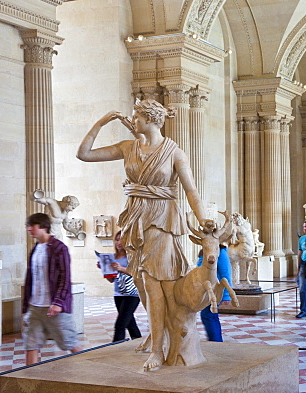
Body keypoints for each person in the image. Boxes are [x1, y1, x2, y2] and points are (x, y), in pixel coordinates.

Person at [77, 98, 208, 371]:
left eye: (136, 117)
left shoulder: (174, 152)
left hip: (162, 221)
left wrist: (204, 220)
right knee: (141, 281)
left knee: (154, 283)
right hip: (136, 220)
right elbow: (84, 154)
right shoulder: (128, 147)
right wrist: (101, 122)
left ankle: (159, 350)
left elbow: (191, 191)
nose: (132, 121)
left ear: (150, 119)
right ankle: (155, 334)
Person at [23, 213, 83, 365]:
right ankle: (30, 380)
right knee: (31, 344)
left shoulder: (59, 248)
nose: (29, 229)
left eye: (33, 225)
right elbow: (31, 278)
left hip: (54, 307)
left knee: (69, 342)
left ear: (43, 226)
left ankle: (89, 370)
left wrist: (58, 302)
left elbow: (65, 277)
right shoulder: (36, 248)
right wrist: (26, 305)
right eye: (28, 225)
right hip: (35, 306)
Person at [100, 231, 141, 342]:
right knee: (130, 324)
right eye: (117, 239)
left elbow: (137, 273)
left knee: (120, 325)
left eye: (122, 239)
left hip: (133, 294)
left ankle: (115, 349)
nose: (119, 242)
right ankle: (139, 342)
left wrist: (121, 268)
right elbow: (111, 280)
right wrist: (104, 268)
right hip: (118, 295)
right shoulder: (113, 257)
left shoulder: (132, 256)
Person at [197, 244, 232, 342]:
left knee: (208, 316)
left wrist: (226, 295)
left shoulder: (221, 252)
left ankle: (216, 342)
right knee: (210, 316)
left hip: (215, 291)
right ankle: (216, 341)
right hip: (206, 291)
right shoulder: (206, 251)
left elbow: (226, 274)